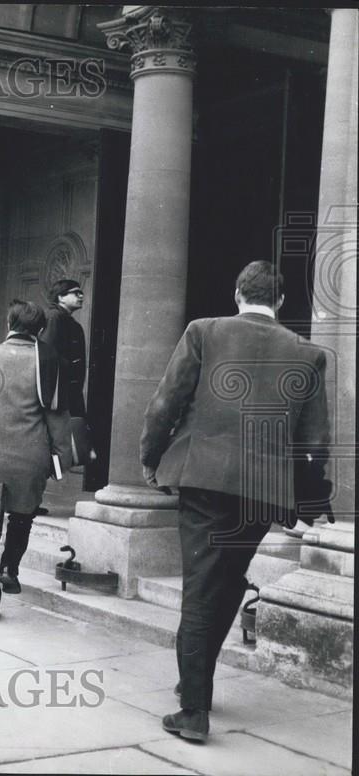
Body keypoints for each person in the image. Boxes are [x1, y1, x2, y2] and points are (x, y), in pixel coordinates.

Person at [141, 261, 331, 743]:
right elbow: (315, 441)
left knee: (202, 586)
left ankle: (194, 710)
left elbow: (166, 401)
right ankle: (194, 682)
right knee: (224, 586)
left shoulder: (204, 331)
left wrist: (152, 457)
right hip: (263, 494)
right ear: (281, 302)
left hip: (204, 479)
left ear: (237, 294)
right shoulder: (307, 354)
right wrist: (308, 500)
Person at [0, 300, 65, 622]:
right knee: (22, 518)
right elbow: (58, 416)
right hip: (31, 457)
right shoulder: (49, 360)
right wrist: (60, 456)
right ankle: (10, 565)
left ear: (9, 323)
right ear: (40, 329)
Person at [36, 278, 89, 516]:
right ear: (60, 297)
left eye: (80, 292)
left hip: (64, 394)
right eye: (74, 292)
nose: (80, 296)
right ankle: (30, 499)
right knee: (50, 447)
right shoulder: (55, 318)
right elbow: (46, 355)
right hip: (56, 397)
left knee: (56, 447)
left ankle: (32, 498)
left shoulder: (66, 321)